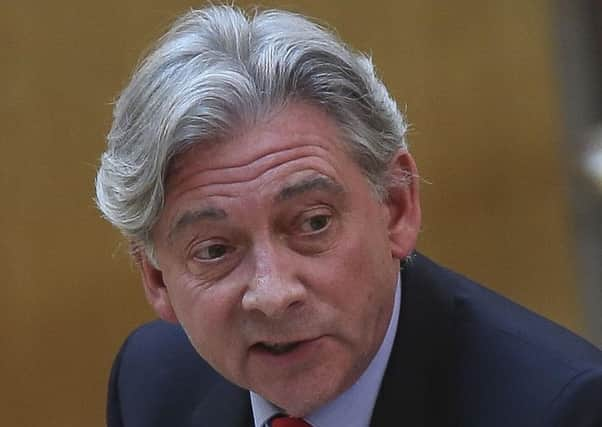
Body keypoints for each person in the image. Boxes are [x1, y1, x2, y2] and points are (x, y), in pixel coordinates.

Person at [96, 5, 602, 427]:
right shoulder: (152, 385)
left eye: (313, 223)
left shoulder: (562, 409)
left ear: (396, 208)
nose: (273, 295)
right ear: (157, 277)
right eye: (214, 251)